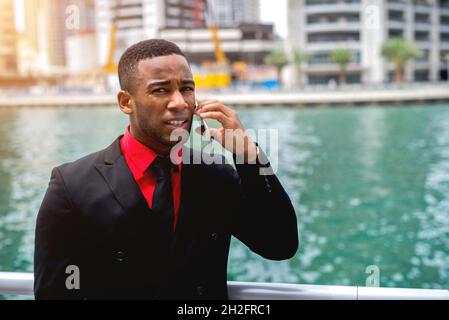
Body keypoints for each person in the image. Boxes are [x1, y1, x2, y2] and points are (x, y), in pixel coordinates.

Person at [34, 39, 298, 300]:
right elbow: (54, 293)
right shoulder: (71, 185)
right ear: (126, 102)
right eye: (161, 90)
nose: (180, 102)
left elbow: (279, 244)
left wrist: (250, 156)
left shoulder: (216, 175)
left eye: (187, 89)